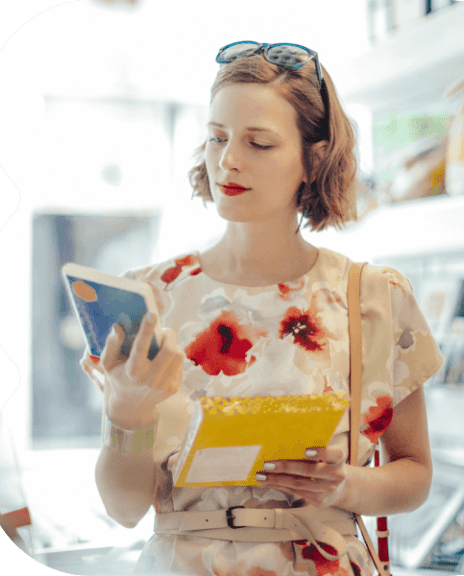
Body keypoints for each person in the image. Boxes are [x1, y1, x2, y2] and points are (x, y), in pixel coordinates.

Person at [81, 41, 444, 576]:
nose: (228, 160)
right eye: (217, 137)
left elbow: (415, 474)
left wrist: (348, 483)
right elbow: (124, 507)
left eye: (259, 142)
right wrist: (125, 416)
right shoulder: (150, 297)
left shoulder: (374, 297)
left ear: (313, 158)